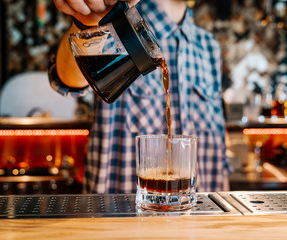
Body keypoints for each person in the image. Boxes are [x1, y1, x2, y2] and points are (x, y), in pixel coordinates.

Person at [50, 0, 232, 193]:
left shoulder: (208, 44)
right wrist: (86, 22)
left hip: (200, 212)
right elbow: (68, 82)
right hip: (122, 211)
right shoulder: (113, 21)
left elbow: (218, 145)